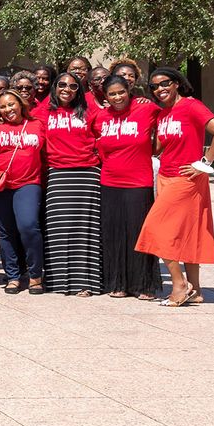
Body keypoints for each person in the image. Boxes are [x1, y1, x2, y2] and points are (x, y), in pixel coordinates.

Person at [136, 68, 214, 307]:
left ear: (177, 83)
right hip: (166, 176)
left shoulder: (191, 106)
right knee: (189, 233)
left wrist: (204, 163)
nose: (160, 89)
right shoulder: (163, 113)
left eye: (164, 83)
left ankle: (179, 285)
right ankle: (196, 289)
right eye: (154, 87)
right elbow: (156, 148)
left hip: (186, 179)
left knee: (155, 228)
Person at [91, 74, 161, 299]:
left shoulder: (147, 109)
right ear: (106, 96)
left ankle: (143, 285)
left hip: (138, 182)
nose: (117, 97)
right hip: (109, 181)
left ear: (129, 90)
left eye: (121, 92)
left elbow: (166, 123)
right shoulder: (101, 116)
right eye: (112, 94)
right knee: (114, 234)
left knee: (138, 233)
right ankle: (117, 283)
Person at [0, 91, 46, 294]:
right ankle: (13, 275)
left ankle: (35, 274)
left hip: (28, 183)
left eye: (11, 104)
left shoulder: (37, 125)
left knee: (29, 226)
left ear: (21, 104)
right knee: (5, 232)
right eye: (3, 107)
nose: (8, 110)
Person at [43, 72, 102, 297]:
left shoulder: (90, 111)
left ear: (80, 90)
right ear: (55, 87)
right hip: (58, 175)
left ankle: (86, 282)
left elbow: (103, 135)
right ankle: (59, 281)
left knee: (86, 230)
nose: (67, 89)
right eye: (62, 84)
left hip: (87, 174)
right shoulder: (43, 112)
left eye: (73, 86)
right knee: (59, 229)